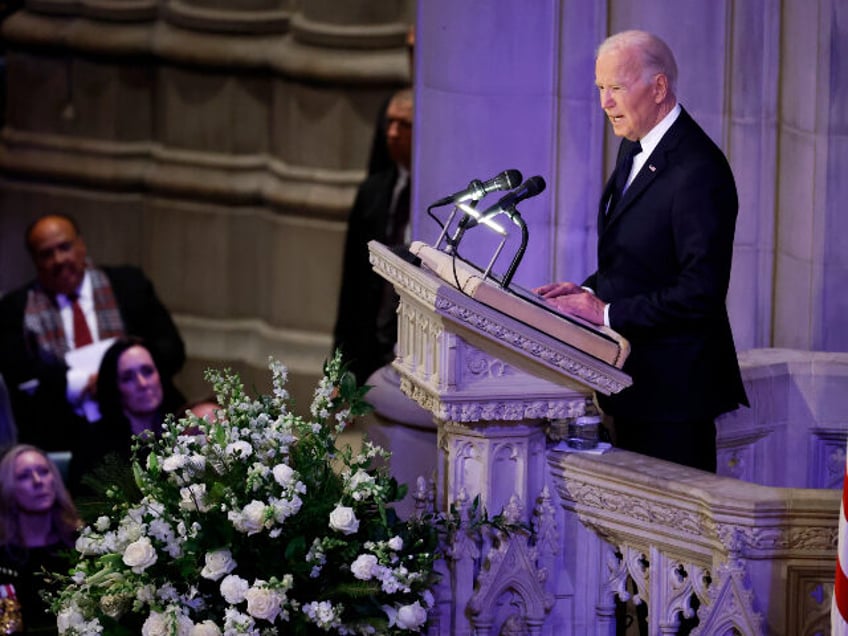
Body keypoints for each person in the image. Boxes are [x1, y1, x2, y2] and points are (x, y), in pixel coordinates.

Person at [534, 30, 748, 473]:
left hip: (674, 401)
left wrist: (606, 313)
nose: (604, 103)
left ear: (658, 88)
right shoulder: (634, 146)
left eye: (616, 88)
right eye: (599, 89)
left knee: (669, 538)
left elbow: (700, 292)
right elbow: (637, 260)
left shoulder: (698, 169)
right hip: (630, 386)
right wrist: (586, 291)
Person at [0, 214, 186, 452]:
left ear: (81, 245)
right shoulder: (15, 308)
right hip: (66, 431)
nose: (58, 260)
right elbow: (20, 376)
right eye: (46, 254)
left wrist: (119, 374)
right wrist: (78, 382)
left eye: (65, 247)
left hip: (148, 421)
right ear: (35, 261)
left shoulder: (128, 285)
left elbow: (172, 351)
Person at [333, 88, 414, 383]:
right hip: (371, 348)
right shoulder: (373, 192)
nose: (392, 133)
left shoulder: (436, 196)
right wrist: (342, 368)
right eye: (389, 123)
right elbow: (352, 287)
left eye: (404, 125)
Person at [67, 338, 178, 495]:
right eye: (128, 377)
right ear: (114, 387)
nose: (143, 383)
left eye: (147, 371)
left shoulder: (181, 431)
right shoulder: (95, 445)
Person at [0, 444, 81, 634]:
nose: (38, 481)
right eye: (24, 476)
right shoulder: (3, 558)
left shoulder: (82, 544)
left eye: (44, 472)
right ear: (7, 488)